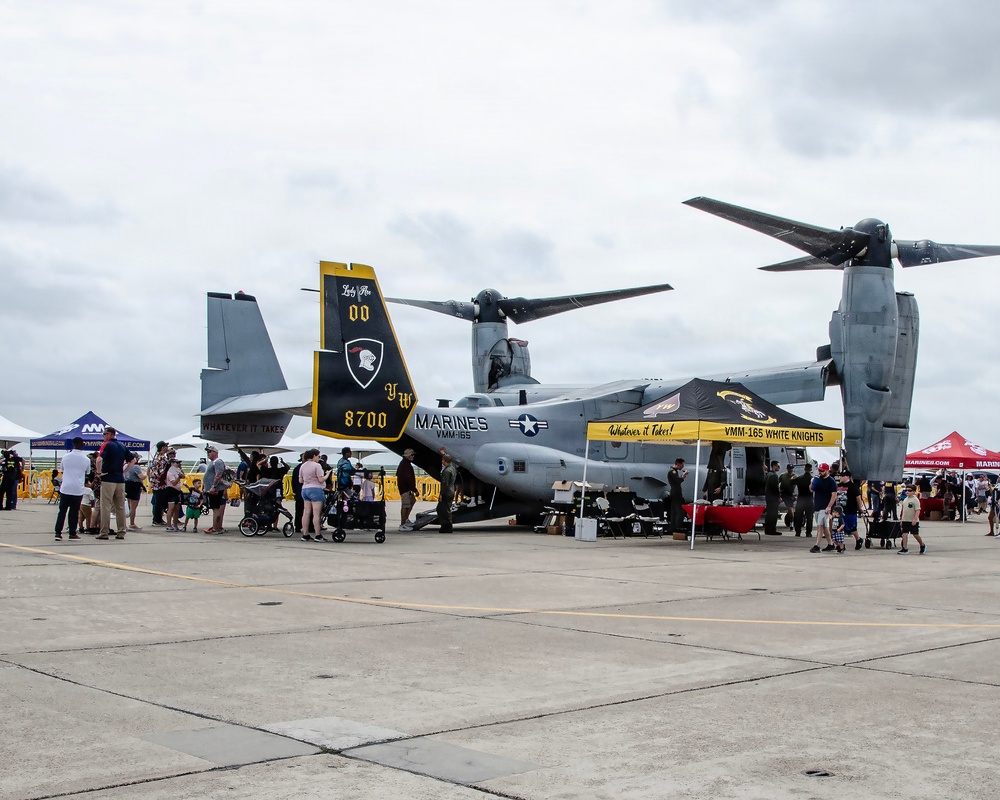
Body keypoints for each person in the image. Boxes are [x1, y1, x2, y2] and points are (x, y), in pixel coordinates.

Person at [95, 427, 134, 540]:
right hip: (120, 479)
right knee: (120, 507)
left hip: (108, 478)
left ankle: (104, 532)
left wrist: (99, 472)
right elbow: (132, 460)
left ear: (110, 435)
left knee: (106, 506)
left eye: (105, 434)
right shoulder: (122, 446)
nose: (103, 437)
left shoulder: (107, 445)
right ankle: (121, 531)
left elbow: (99, 459)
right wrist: (124, 471)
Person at [54, 436, 89, 540]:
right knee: (74, 512)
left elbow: (62, 469)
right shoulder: (86, 459)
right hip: (77, 489)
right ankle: (72, 532)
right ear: (82, 445)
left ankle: (58, 532)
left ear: (73, 444)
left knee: (62, 511)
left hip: (66, 488)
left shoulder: (66, 457)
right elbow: (87, 472)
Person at [298, 449, 330, 542]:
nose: (319, 458)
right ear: (314, 456)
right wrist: (327, 475)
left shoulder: (302, 466)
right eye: (318, 456)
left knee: (306, 513)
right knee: (316, 513)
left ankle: (305, 534)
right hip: (316, 489)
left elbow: (300, 480)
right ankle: (318, 535)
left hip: (305, 489)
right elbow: (320, 480)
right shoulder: (317, 466)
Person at [808, 462, 838, 554]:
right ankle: (830, 544)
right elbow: (811, 490)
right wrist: (811, 482)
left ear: (827, 471)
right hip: (817, 506)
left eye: (822, 471)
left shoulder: (831, 481)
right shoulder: (817, 479)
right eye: (819, 470)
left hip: (824, 507)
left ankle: (817, 545)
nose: (820, 472)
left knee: (820, 526)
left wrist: (829, 506)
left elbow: (834, 495)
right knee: (825, 527)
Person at [202, 447, 230, 535]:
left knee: (216, 508)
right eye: (207, 452)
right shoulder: (213, 462)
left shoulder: (218, 462)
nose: (208, 453)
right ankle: (216, 526)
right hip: (211, 489)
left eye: (210, 452)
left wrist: (213, 486)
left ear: (215, 452)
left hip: (215, 489)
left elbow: (218, 474)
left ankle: (216, 528)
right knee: (215, 508)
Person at [839, 471, 864, 550]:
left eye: (843, 476)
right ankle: (841, 545)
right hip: (841, 510)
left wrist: (860, 508)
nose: (841, 477)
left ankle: (858, 539)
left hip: (850, 510)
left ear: (848, 477)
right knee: (840, 528)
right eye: (841, 476)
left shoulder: (852, 486)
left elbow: (858, 497)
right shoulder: (839, 485)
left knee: (851, 528)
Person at [897, 484, 925, 554]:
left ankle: (922, 545)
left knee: (915, 534)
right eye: (906, 490)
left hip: (912, 520)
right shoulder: (905, 499)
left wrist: (915, 519)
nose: (907, 492)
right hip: (905, 520)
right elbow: (903, 510)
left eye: (909, 490)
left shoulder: (915, 500)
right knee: (904, 534)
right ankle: (905, 548)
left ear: (914, 492)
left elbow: (917, 510)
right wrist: (901, 519)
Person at [148, 441, 171, 526]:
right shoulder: (161, 458)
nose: (167, 448)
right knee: (159, 502)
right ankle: (157, 519)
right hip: (159, 483)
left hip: (156, 482)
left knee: (158, 501)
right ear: (162, 447)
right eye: (166, 446)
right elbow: (161, 471)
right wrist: (164, 480)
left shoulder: (157, 456)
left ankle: (158, 518)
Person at [397, 448, 419, 531]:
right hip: (406, 489)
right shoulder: (405, 465)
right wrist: (414, 489)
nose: (413, 456)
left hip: (407, 489)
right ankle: (402, 524)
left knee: (412, 501)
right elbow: (408, 478)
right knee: (405, 505)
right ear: (407, 456)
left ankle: (406, 520)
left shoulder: (405, 464)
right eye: (412, 455)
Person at [437, 453, 458, 532]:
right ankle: (447, 526)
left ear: (444, 461)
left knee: (442, 509)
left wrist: (441, 494)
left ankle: (446, 526)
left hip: (447, 492)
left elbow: (445, 483)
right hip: (451, 490)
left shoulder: (447, 471)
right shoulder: (452, 468)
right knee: (446, 509)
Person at [123, 457, 145, 531]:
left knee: (128, 505)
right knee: (133, 507)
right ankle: (132, 523)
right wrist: (145, 474)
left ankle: (123, 524)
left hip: (127, 485)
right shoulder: (136, 467)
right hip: (135, 486)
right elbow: (141, 477)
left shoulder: (125, 466)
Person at [164, 457, 185, 531]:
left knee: (177, 508)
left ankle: (175, 525)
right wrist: (179, 477)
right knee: (171, 508)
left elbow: (184, 476)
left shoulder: (177, 471)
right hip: (171, 490)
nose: (178, 464)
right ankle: (169, 525)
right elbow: (173, 482)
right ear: (172, 464)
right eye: (177, 463)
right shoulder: (170, 472)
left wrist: (181, 469)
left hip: (178, 491)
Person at [667, 457, 688, 533]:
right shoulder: (672, 472)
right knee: (679, 511)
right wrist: (683, 476)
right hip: (676, 493)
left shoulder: (674, 471)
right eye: (682, 465)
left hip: (675, 492)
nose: (682, 466)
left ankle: (673, 527)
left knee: (674, 511)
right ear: (678, 464)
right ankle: (677, 527)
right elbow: (677, 481)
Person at [793, 463, 813, 537]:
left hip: (801, 499)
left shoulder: (800, 478)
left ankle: (798, 532)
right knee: (809, 517)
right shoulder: (812, 479)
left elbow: (790, 482)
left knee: (798, 516)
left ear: (804, 469)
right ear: (811, 469)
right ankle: (808, 532)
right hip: (809, 499)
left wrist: (793, 477)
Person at [763, 460, 781, 535]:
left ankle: (767, 529)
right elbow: (775, 488)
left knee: (769, 513)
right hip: (773, 498)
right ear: (774, 466)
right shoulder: (773, 475)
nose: (779, 468)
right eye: (778, 466)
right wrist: (778, 497)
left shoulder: (768, 474)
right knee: (773, 514)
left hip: (768, 496)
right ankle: (772, 529)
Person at [778, 464, 796, 529]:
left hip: (789, 494)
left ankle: (791, 524)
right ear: (787, 469)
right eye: (789, 468)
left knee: (790, 510)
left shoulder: (795, 477)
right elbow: (778, 482)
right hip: (782, 493)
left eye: (791, 468)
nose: (790, 469)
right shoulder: (783, 475)